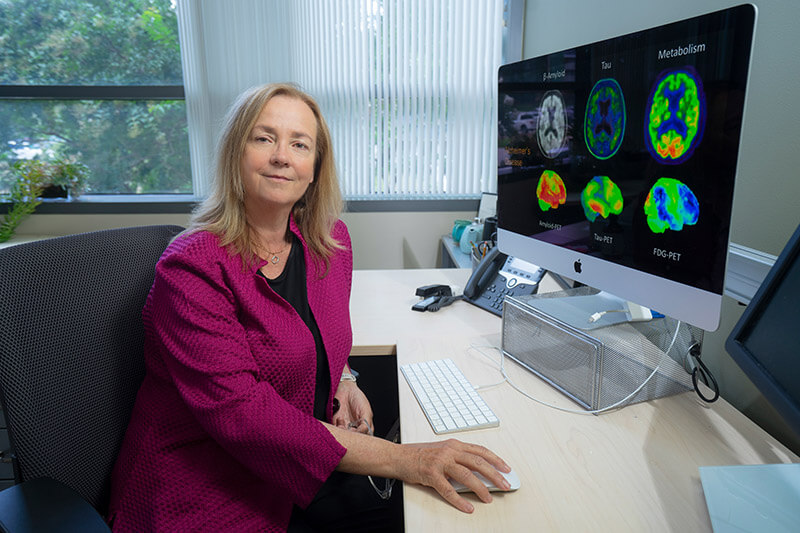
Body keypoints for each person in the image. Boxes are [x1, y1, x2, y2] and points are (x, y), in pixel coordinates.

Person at [108, 83, 513, 532]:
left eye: (300, 144)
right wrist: (404, 459)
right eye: (264, 138)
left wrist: (344, 378)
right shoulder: (192, 267)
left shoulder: (328, 244)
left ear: (315, 167)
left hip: (293, 466)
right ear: (234, 153)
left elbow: (316, 333)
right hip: (203, 489)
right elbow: (245, 415)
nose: (283, 156)